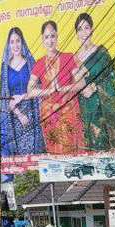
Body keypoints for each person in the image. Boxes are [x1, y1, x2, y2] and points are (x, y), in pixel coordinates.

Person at [18, 20, 84, 154]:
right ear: (42, 40)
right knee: (55, 152)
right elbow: (29, 91)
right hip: (49, 115)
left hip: (69, 111)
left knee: (71, 150)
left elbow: (81, 83)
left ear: (57, 36)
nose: (50, 40)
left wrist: (62, 88)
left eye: (52, 36)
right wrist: (48, 91)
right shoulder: (40, 64)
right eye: (46, 37)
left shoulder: (68, 57)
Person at [74, 13, 115, 150]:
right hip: (85, 107)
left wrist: (94, 87)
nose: (83, 33)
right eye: (80, 29)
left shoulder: (101, 52)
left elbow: (112, 77)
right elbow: (73, 84)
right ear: (76, 34)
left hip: (102, 106)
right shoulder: (74, 58)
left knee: (103, 143)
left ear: (92, 30)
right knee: (89, 144)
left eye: (86, 28)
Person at [0, 27, 45, 156]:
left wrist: (23, 97)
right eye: (12, 42)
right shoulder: (5, 69)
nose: (15, 45)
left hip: (33, 115)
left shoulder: (31, 63)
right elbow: (4, 98)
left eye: (18, 41)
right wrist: (19, 114)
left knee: (35, 158)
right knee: (19, 161)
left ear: (22, 42)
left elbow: (40, 89)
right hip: (14, 119)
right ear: (8, 45)